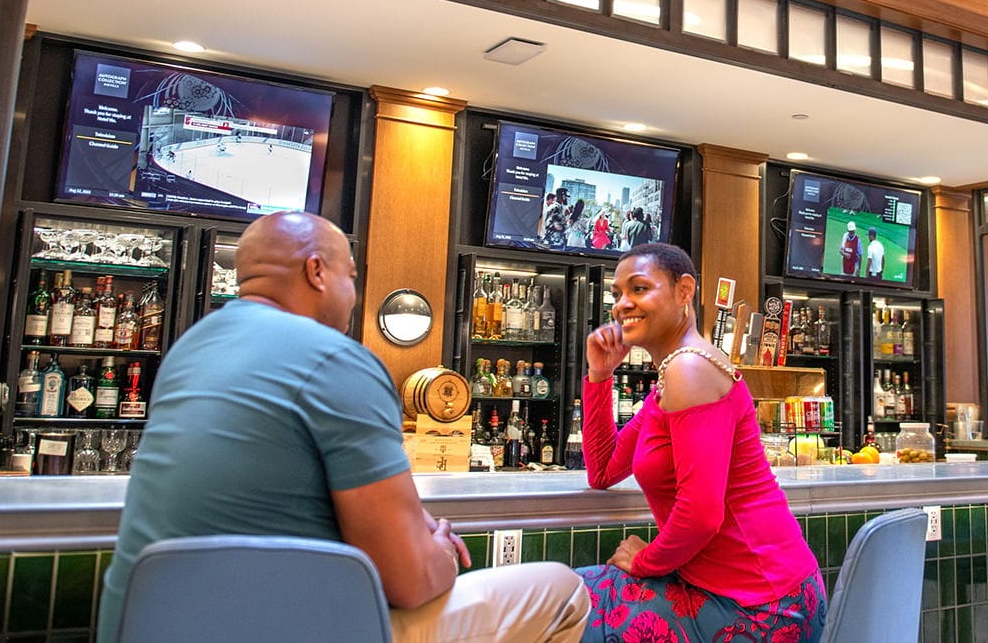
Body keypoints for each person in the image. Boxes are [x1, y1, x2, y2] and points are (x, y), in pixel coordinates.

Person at [96, 211, 589, 643]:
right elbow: (410, 581)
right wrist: (436, 550)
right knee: (561, 590)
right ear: (317, 271)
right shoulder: (336, 359)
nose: (353, 297)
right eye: (351, 277)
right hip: (298, 628)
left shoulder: (189, 350)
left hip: (145, 623)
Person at [576, 243, 826, 642]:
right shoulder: (672, 376)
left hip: (762, 606)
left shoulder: (689, 368)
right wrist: (600, 375)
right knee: (565, 597)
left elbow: (701, 515)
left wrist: (644, 561)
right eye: (617, 294)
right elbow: (603, 470)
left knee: (562, 609)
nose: (622, 304)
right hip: (735, 589)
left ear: (684, 291)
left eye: (639, 289)